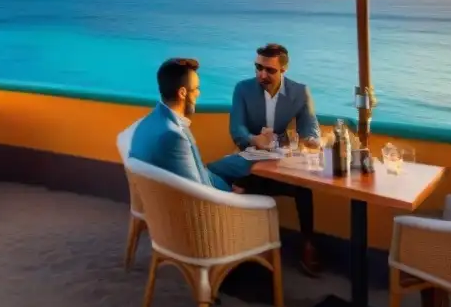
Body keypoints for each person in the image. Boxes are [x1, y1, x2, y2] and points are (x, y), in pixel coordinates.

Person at [208, 43, 323, 275]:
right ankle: (217, 236)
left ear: (283, 70)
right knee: (209, 171)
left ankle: (308, 244)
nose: (262, 74)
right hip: (249, 154)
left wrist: (310, 140)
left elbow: (311, 129)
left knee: (303, 187)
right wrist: (254, 139)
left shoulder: (300, 92)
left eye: (269, 70)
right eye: (258, 67)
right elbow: (236, 129)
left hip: (279, 159)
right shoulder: (243, 89)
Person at [128, 57, 241, 193]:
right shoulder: (173, 136)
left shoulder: (148, 122)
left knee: (232, 164)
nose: (199, 93)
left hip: (161, 199)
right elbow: (200, 192)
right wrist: (233, 191)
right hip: (207, 205)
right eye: (196, 89)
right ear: (182, 93)